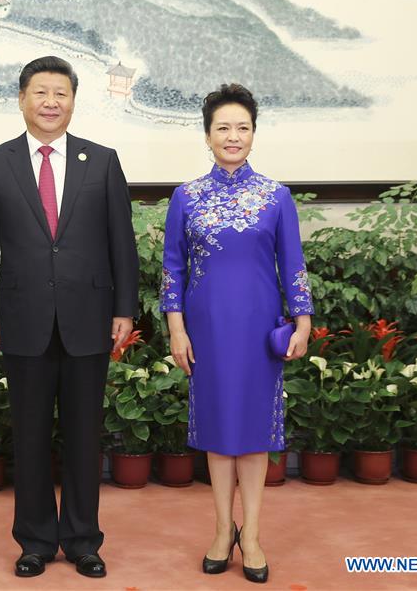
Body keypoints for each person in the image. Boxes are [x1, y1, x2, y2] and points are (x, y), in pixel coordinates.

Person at [0, 55, 139, 579]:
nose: (50, 102)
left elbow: (122, 244)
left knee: (86, 436)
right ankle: (36, 541)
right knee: (30, 435)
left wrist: (124, 308)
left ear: (72, 100)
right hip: (22, 319)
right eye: (40, 93)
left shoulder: (103, 160)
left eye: (60, 93)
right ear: (22, 99)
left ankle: (84, 540)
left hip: (89, 317)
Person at [160, 83, 313, 584]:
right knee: (218, 432)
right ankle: (222, 530)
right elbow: (172, 271)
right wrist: (176, 329)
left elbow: (293, 264)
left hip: (258, 330)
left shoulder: (276, 196)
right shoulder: (186, 197)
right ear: (207, 136)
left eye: (242, 128)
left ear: (254, 134)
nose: (233, 136)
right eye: (223, 128)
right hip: (205, 331)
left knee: (253, 435)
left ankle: (253, 536)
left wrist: (304, 320)